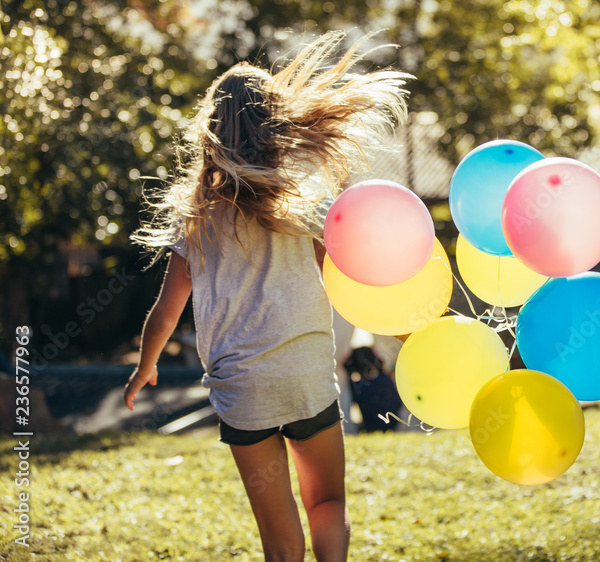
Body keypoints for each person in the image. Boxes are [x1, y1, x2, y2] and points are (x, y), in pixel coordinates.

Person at [123, 32, 409, 562]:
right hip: (305, 379)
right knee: (326, 500)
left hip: (242, 391)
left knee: (278, 540)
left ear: (210, 130)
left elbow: (166, 313)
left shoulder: (197, 220)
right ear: (279, 125)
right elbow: (350, 285)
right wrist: (404, 329)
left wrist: (146, 364)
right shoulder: (306, 207)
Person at [342, 346, 403, 432]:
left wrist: (347, 367)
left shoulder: (357, 385)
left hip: (370, 426)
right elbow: (398, 402)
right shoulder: (385, 378)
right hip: (393, 423)